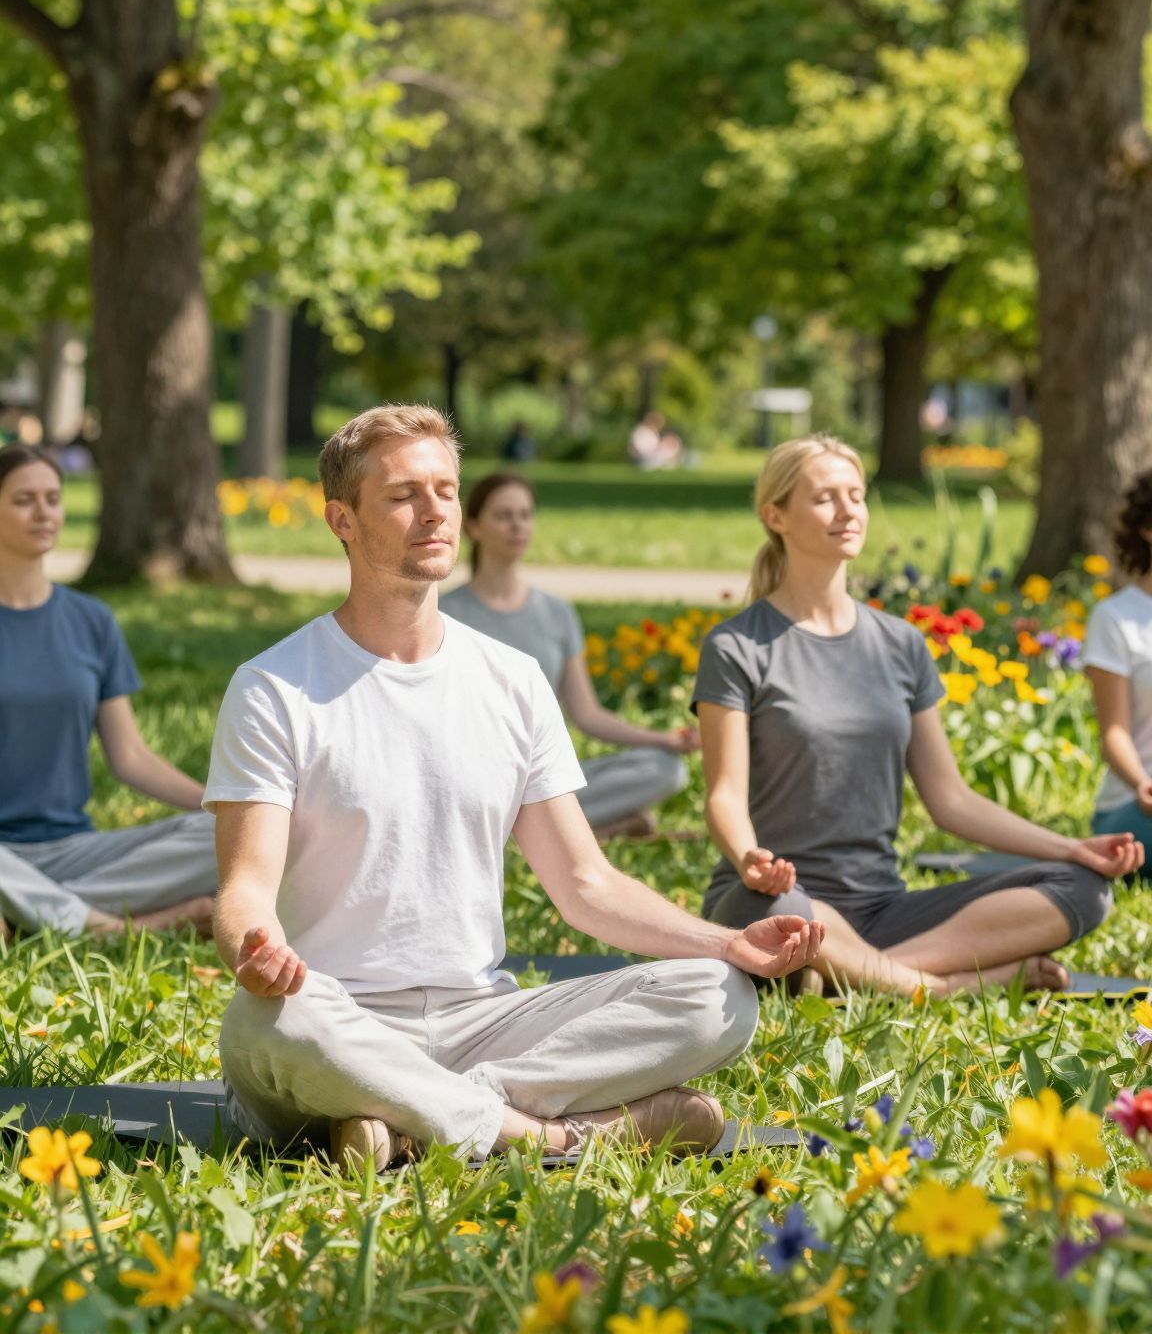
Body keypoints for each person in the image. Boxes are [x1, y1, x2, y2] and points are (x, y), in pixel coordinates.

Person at [206, 404, 823, 1170]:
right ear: (343, 520)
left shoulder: (511, 680)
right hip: (337, 1015)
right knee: (268, 1025)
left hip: (484, 1020)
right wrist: (255, 951)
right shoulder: (273, 687)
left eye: (446, 490)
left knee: (717, 996)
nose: (435, 511)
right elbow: (244, 889)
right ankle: (548, 1137)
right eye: (403, 495)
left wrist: (727, 942)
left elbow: (587, 884)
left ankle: (410, 1118)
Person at [693, 433, 1142, 997]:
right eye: (825, 497)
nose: (848, 510)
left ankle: (845, 975)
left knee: (1083, 888)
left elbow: (951, 800)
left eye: (856, 495)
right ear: (775, 515)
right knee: (785, 915)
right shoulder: (737, 646)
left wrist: (1070, 849)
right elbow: (723, 797)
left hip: (882, 908)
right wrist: (750, 858)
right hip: (775, 898)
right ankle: (932, 986)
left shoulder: (900, 644)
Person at [0, 445, 217, 938]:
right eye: (24, 500)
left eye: (53, 498)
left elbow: (131, 757)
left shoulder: (90, 621)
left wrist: (222, 807)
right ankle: (116, 926)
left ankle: (31, 917)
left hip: (72, 850)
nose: (43, 512)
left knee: (232, 835)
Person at [441, 473, 697, 839]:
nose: (518, 525)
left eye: (526, 515)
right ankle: (571, 829)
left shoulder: (557, 613)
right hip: (476, 781)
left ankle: (538, 828)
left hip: (547, 780)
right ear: (475, 527)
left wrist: (661, 740)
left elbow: (587, 713)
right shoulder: (444, 613)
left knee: (666, 769)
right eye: (504, 515)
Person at [1086, 470, 1152, 873]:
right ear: (1147, 529)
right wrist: (1141, 783)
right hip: (1134, 807)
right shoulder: (1115, 618)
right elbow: (1115, 733)